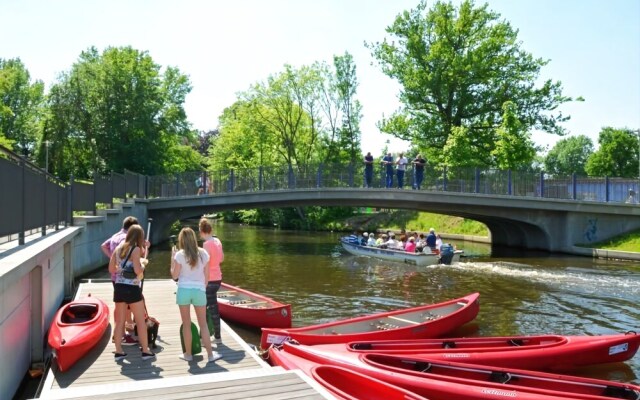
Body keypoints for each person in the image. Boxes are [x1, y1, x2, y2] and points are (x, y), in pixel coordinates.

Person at [171, 227, 222, 363]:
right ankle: (211, 355)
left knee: (186, 324)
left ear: (181, 240)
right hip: (199, 290)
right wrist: (202, 288)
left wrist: (172, 259)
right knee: (203, 324)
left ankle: (188, 354)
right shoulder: (203, 253)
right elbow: (207, 276)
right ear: (194, 238)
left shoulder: (179, 255)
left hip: (183, 291)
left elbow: (174, 276)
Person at [108, 224, 155, 361]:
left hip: (119, 287)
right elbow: (137, 271)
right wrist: (143, 264)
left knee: (120, 321)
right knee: (140, 321)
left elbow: (112, 269)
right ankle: (146, 351)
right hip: (132, 289)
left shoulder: (118, 248)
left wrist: (121, 270)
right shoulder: (136, 250)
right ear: (139, 237)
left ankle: (118, 351)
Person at [101, 216, 146, 346]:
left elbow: (104, 247)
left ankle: (118, 345)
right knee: (136, 316)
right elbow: (137, 269)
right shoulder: (131, 245)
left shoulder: (116, 238)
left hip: (118, 281)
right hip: (130, 283)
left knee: (119, 315)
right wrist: (142, 265)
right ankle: (143, 348)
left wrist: (115, 263)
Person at [199, 218, 224, 345]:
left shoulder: (206, 245)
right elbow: (222, 259)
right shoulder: (217, 241)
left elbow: (205, 265)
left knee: (203, 309)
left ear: (202, 231)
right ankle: (218, 337)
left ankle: (203, 338)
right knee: (214, 308)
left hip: (209, 280)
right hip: (218, 278)